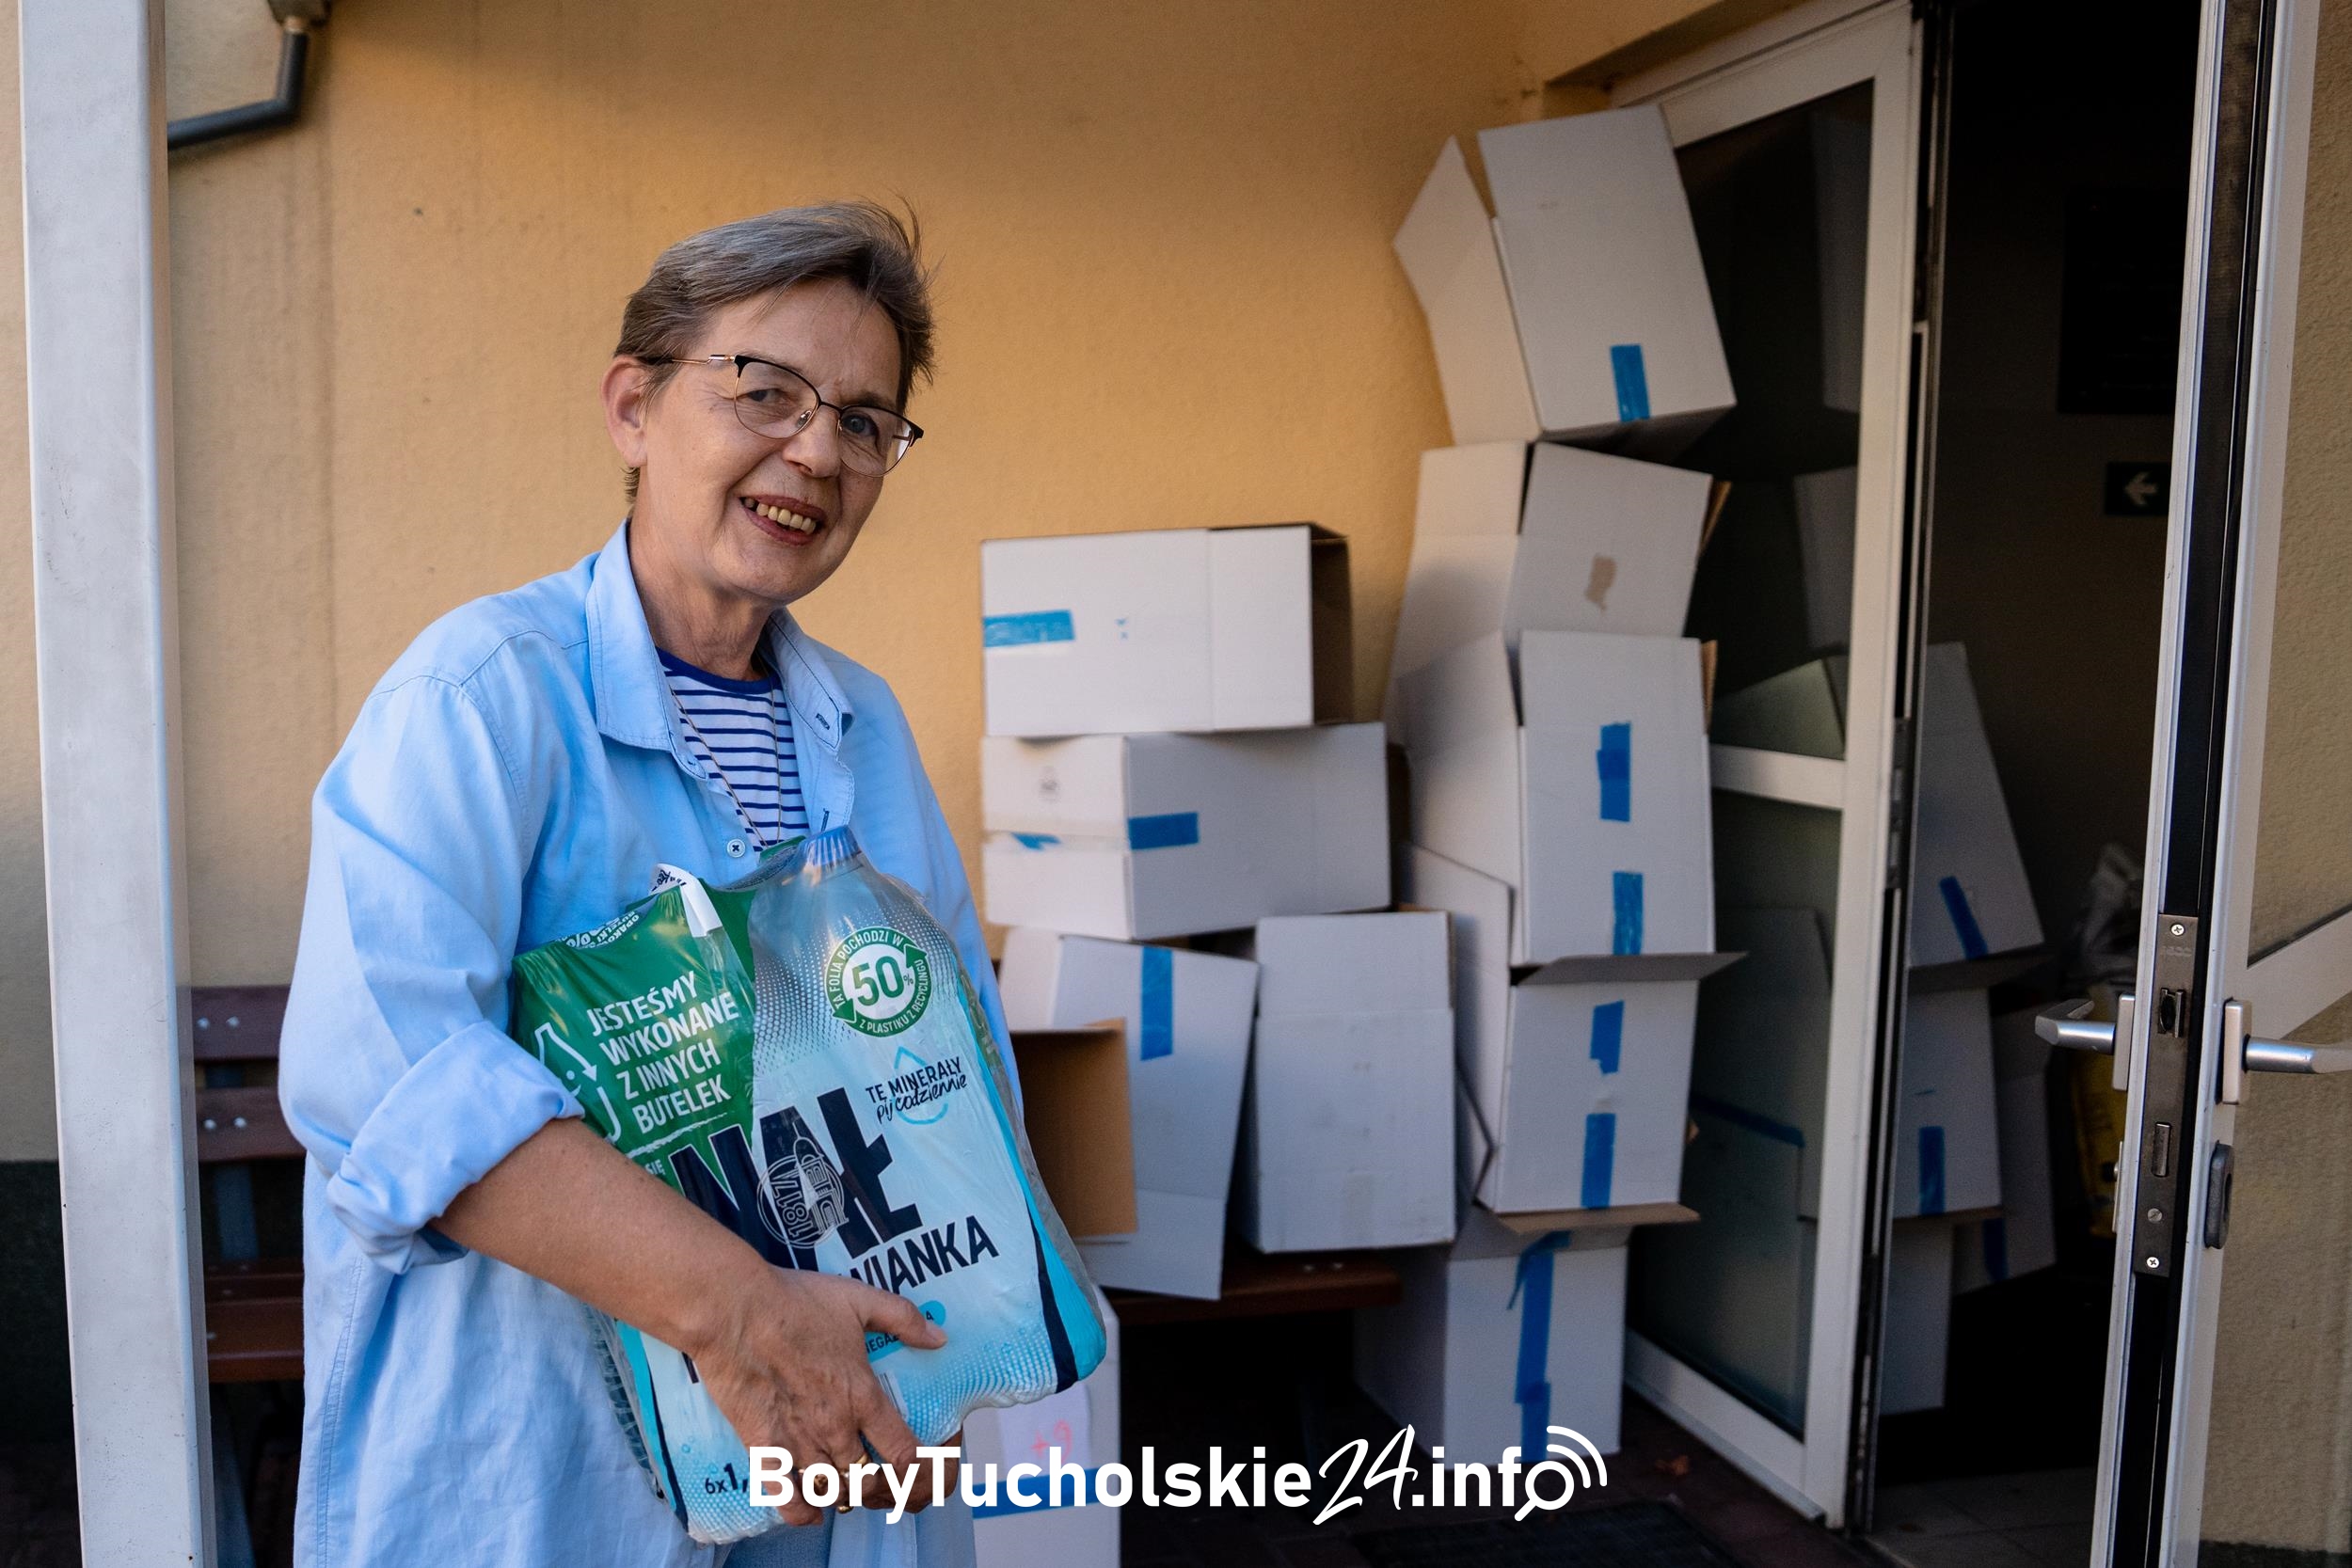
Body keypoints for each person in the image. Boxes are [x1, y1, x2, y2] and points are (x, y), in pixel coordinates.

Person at [279, 203, 990, 1568]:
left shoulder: (865, 725)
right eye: (764, 392)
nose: (815, 452)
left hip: (826, 1459)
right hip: (543, 1470)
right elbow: (387, 1077)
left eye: (863, 422)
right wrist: (737, 1313)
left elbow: (957, 1063)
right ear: (634, 408)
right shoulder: (480, 697)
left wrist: (971, 1327)